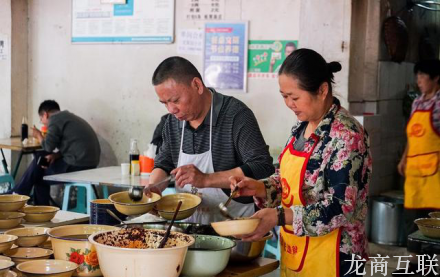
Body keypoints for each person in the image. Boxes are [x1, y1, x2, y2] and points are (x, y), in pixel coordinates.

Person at [229, 49, 372, 277]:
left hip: (335, 257)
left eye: (294, 97)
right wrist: (260, 187)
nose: (289, 104)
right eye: (284, 96)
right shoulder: (302, 127)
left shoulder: (346, 135)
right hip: (297, 249)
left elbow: (342, 207)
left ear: (322, 90)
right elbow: (291, 181)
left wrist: (277, 217)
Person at [144, 56, 274, 224]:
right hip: (189, 227)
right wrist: (154, 186)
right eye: (164, 103)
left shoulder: (236, 115)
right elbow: (164, 163)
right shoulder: (173, 122)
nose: (171, 109)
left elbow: (262, 167)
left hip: (236, 227)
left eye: (175, 100)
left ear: (197, 85)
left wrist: (206, 180)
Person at [12, 100, 101, 205]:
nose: (43, 122)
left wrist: (38, 135)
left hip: (78, 164)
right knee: (40, 161)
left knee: (38, 172)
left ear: (45, 114)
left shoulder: (54, 120)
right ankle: (19, 194)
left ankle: (19, 195)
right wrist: (56, 155)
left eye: (41, 119)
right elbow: (72, 146)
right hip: (89, 162)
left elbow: (48, 147)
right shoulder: (68, 117)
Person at [397, 59, 440, 235]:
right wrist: (403, 158)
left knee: (433, 226)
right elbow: (412, 136)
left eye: (422, 76)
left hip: (435, 175)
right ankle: (415, 262)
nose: (418, 81)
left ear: (436, 77)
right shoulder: (417, 103)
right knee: (413, 225)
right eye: (417, 76)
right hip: (414, 173)